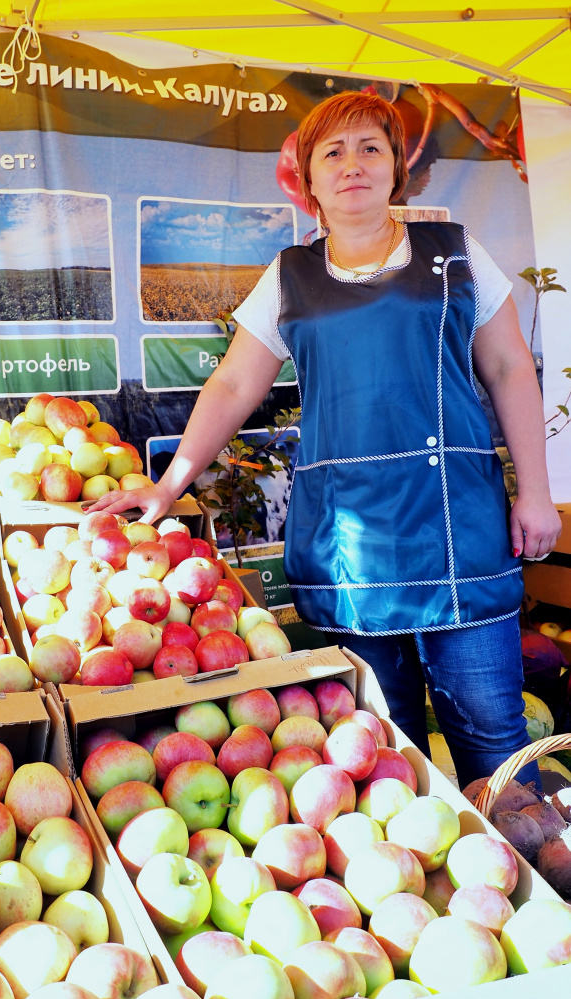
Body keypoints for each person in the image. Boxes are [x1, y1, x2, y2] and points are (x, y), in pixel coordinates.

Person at [87, 91, 561, 790]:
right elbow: (232, 385)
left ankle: (523, 857)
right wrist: (168, 485)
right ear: (307, 178)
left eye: (370, 147)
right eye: (332, 152)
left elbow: (511, 368)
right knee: (380, 745)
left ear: (396, 167)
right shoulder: (291, 274)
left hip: (459, 525)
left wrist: (538, 494)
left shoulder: (455, 253)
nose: (352, 164)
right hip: (350, 542)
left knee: (493, 735)